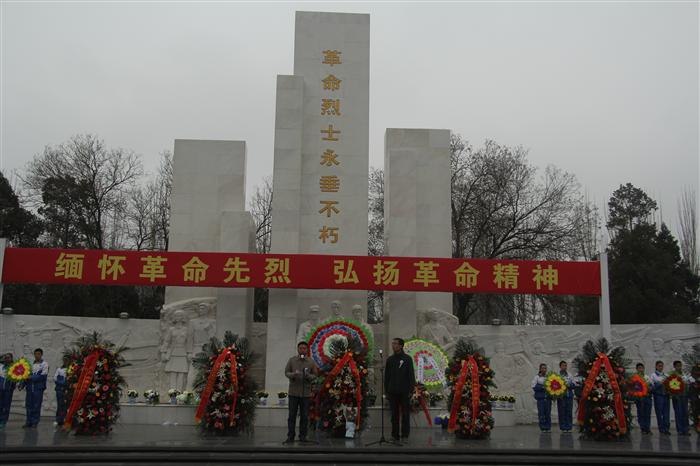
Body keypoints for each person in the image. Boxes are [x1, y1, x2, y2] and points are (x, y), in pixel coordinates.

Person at [284, 341, 317, 443]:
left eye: (304, 348)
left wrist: (309, 376)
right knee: (292, 415)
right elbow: (286, 372)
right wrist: (293, 375)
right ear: (298, 349)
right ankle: (290, 436)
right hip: (293, 392)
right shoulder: (292, 360)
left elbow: (315, 375)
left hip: (305, 393)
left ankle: (303, 436)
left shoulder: (311, 362)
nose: (302, 350)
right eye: (301, 348)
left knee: (304, 416)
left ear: (307, 350)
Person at [384, 337, 415, 441]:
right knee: (394, 415)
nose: (393, 345)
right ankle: (395, 434)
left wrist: (411, 390)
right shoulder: (390, 359)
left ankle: (405, 434)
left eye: (396, 344)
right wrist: (386, 391)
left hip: (404, 391)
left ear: (401, 346)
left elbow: (411, 375)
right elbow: (387, 377)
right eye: (392, 344)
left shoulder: (407, 359)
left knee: (405, 414)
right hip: (392, 391)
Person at [23, 348, 49, 428]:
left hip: (38, 388)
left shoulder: (44, 364)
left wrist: (31, 377)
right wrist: (23, 383)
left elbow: (43, 376)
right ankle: (28, 421)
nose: (37, 355)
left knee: (36, 405)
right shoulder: (30, 364)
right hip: (30, 387)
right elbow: (26, 375)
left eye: (38, 354)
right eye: (35, 354)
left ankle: (35, 421)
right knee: (28, 405)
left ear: (41, 354)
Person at [650, 360, 671, 435]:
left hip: (666, 396)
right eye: (659, 366)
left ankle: (666, 428)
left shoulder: (666, 375)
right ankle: (661, 429)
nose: (661, 367)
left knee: (666, 413)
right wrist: (659, 383)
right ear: (656, 366)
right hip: (658, 396)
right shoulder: (653, 376)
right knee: (659, 413)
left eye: (662, 366)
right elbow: (652, 388)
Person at [671, 360, 691, 436]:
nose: (679, 367)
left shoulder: (684, 374)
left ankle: (686, 429)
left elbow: (687, 384)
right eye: (678, 366)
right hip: (677, 396)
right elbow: (672, 387)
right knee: (679, 413)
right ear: (675, 366)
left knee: (685, 413)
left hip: (684, 396)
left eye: (680, 365)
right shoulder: (673, 375)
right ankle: (680, 430)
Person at [634, 363, 653, 435]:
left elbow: (651, 386)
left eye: (642, 368)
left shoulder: (647, 377)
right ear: (637, 369)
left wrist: (649, 388)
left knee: (647, 414)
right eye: (639, 368)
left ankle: (648, 428)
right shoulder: (635, 377)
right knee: (641, 413)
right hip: (639, 398)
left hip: (647, 397)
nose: (640, 369)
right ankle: (643, 428)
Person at [532, 363, 551, 433]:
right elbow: (534, 387)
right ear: (540, 369)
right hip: (541, 398)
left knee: (548, 413)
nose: (544, 369)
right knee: (541, 413)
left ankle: (548, 427)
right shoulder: (537, 377)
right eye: (542, 368)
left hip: (548, 398)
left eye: (545, 368)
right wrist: (542, 387)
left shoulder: (549, 377)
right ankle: (543, 427)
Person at [556, 361, 575, 433]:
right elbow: (554, 386)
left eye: (565, 365)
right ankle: (563, 427)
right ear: (560, 366)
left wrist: (569, 385)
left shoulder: (569, 375)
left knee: (569, 411)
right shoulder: (557, 375)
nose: (565, 367)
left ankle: (569, 427)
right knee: (562, 412)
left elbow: (574, 384)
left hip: (569, 395)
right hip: (561, 396)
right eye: (563, 365)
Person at [0, 353, 16, 430]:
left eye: (8, 357)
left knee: (6, 406)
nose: (6, 359)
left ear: (11, 358)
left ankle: (3, 421)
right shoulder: (1, 366)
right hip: (0, 390)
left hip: (8, 390)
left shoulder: (14, 368)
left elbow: (16, 379)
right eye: (5, 357)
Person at [54, 355, 70, 427]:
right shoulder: (59, 369)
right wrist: (63, 382)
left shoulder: (72, 369)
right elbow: (55, 379)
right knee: (60, 405)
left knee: (67, 405)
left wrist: (64, 381)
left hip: (68, 390)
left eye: (67, 360)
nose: (65, 361)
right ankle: (59, 419)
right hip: (60, 390)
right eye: (64, 360)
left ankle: (66, 419)